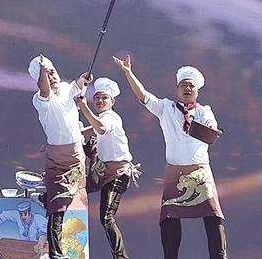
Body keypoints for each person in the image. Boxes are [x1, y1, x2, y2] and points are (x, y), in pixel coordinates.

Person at [113, 55, 228, 259]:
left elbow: (211, 127)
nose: (187, 88)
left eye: (191, 86)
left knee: (212, 214)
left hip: (200, 170)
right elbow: (143, 96)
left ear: (197, 91)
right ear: (177, 89)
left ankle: (220, 256)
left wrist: (210, 128)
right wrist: (128, 72)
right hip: (175, 171)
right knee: (169, 216)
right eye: (183, 85)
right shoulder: (166, 108)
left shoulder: (204, 111)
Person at [29, 55, 91, 259]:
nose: (52, 77)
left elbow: (77, 86)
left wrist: (83, 79)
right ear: (39, 80)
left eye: (53, 72)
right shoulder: (40, 99)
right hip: (57, 159)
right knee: (58, 205)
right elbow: (45, 89)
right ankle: (55, 253)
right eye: (46, 75)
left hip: (76, 155)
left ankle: (44, 197)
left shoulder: (65, 88)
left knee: (71, 195)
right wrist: (43, 71)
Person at [76, 77, 137, 259]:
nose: (100, 101)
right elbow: (90, 130)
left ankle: (120, 257)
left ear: (112, 102)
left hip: (118, 174)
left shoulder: (110, 117)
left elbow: (101, 128)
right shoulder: (100, 119)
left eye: (104, 98)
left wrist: (84, 107)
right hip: (102, 172)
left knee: (106, 217)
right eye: (97, 98)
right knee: (76, 188)